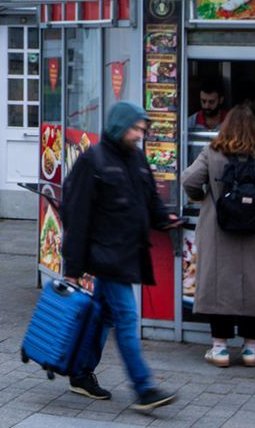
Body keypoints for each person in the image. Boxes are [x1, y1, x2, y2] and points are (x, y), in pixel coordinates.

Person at [61, 101, 180, 413]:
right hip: (106, 256)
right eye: (135, 128)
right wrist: (71, 269)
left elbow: (150, 198)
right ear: (119, 126)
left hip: (129, 254)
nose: (140, 134)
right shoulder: (93, 160)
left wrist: (165, 219)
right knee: (127, 317)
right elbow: (77, 216)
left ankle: (80, 373)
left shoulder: (137, 158)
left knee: (104, 315)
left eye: (142, 129)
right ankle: (144, 388)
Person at [182, 105, 255, 368]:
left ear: (225, 126)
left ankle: (220, 349)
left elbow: (188, 180)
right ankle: (250, 350)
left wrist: (204, 198)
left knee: (218, 285)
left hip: (218, 229)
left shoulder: (212, 153)